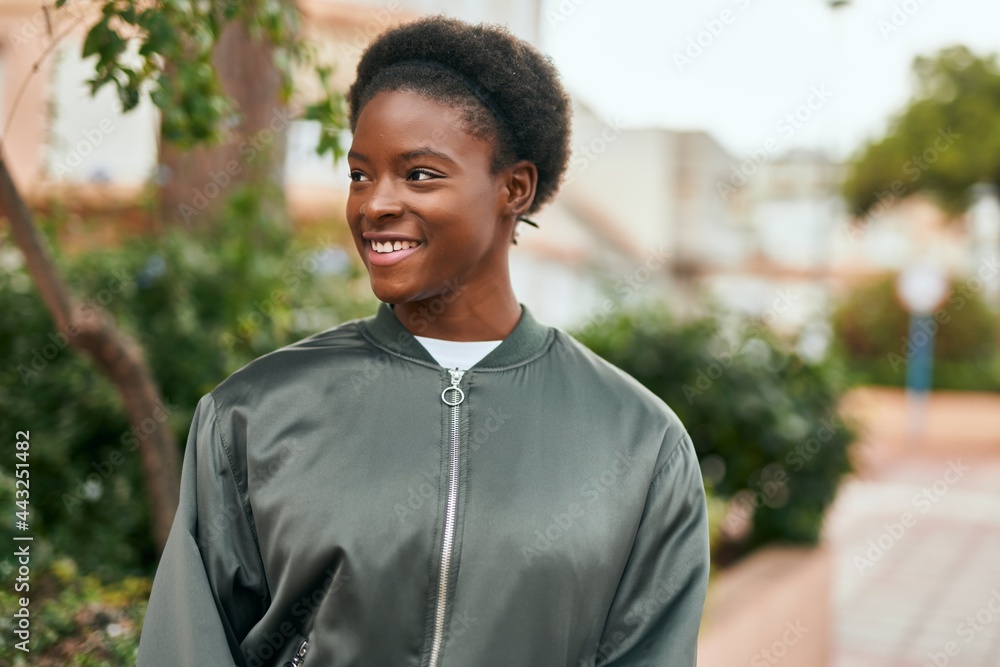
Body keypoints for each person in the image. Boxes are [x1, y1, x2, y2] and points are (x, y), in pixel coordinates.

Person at [137, 14, 710, 667]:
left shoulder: (638, 442)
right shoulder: (251, 415)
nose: (374, 204)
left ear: (513, 188)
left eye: (419, 175)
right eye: (360, 174)